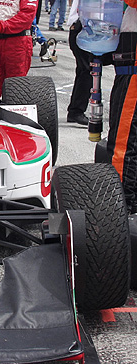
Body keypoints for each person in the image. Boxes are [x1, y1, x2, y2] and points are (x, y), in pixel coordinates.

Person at [107, 0, 137, 212]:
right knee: (120, 135)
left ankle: (122, 203)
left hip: (133, 72)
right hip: (126, 65)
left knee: (125, 142)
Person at [66, 0, 93, 125]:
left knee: (85, 70)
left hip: (86, 28)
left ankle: (76, 110)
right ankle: (76, 111)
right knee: (87, 70)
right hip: (82, 28)